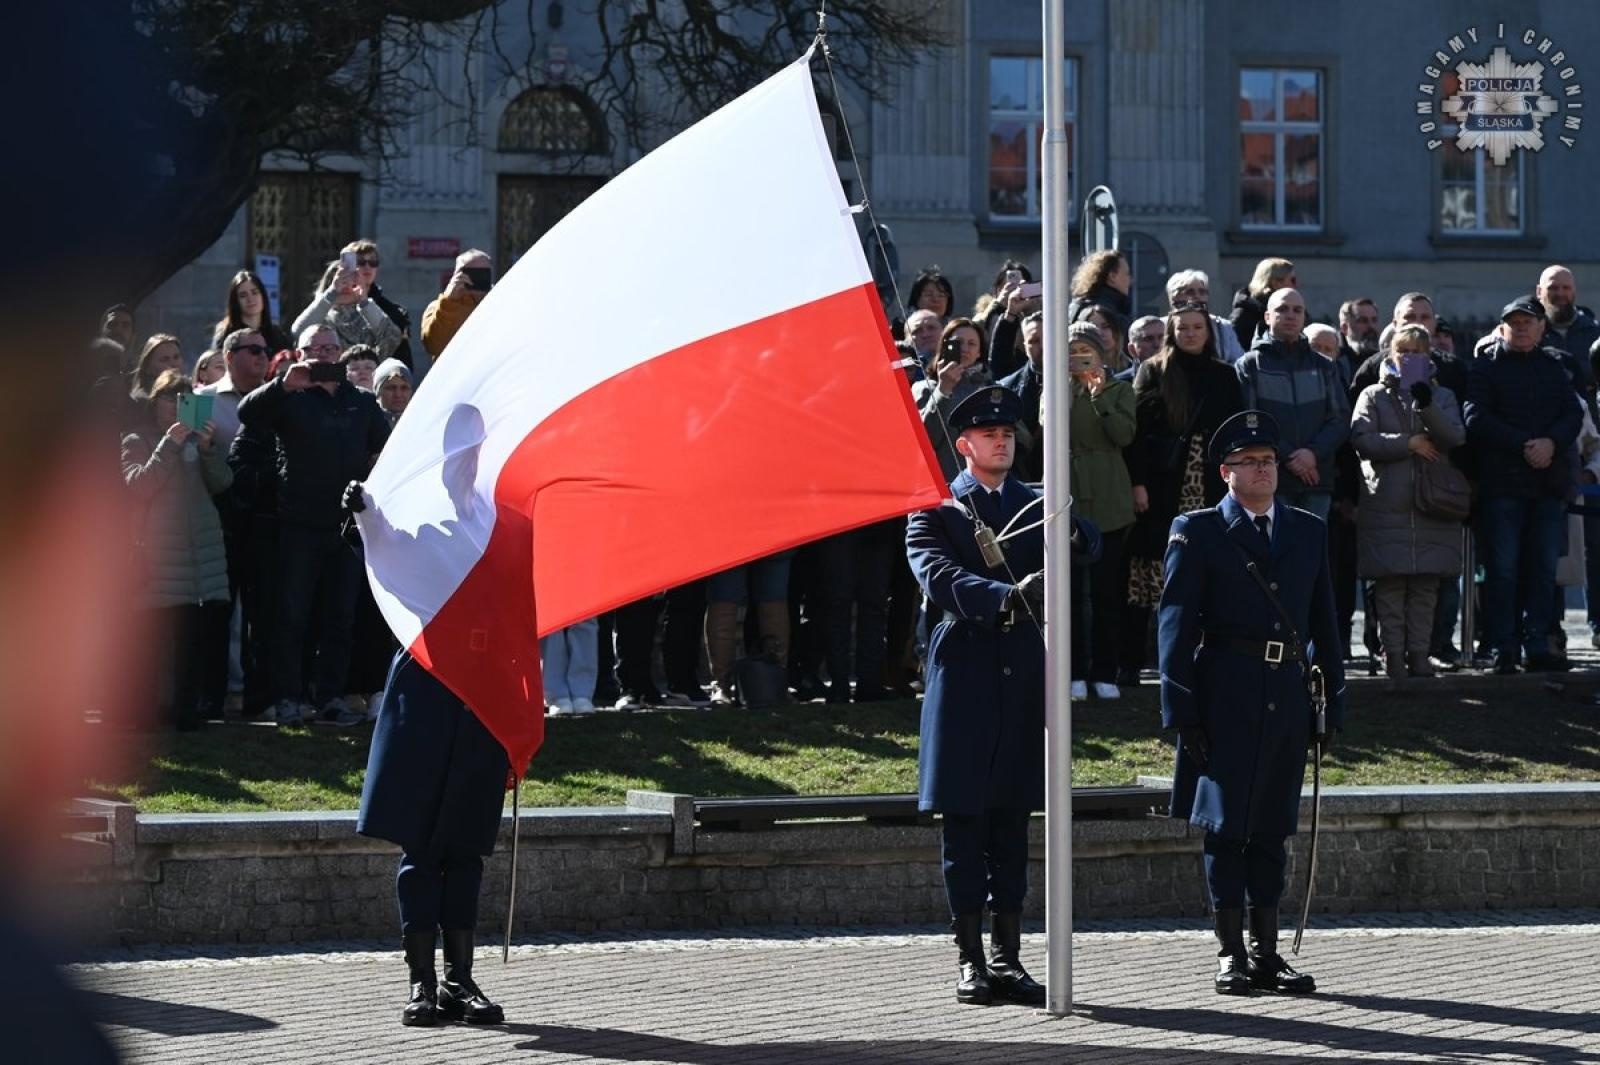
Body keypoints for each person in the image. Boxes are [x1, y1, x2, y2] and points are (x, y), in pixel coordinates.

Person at [1158, 408, 1344, 996]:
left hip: (1285, 690)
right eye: (1249, 463)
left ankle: (1268, 952)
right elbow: (1175, 624)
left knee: (1271, 826)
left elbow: (1326, 624)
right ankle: (1231, 953)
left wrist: (1331, 703)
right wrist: (1181, 709)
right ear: (1225, 472)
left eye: (1268, 461)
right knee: (1226, 827)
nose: (1263, 470)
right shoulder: (1198, 530)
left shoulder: (1308, 529)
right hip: (1225, 688)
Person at [906, 386, 1051, 1007]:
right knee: (965, 820)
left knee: (1012, 819)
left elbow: (1092, 537)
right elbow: (933, 572)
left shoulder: (1037, 501)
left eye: (1009, 433)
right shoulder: (935, 508)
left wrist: (1074, 539)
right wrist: (1005, 595)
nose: (1003, 440)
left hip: (1020, 666)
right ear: (963, 445)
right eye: (990, 435)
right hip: (965, 666)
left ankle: (1008, 956)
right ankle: (970, 958)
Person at [350, 473, 509, 1028]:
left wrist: (517, 724)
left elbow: (517, 623)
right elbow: (388, 552)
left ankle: (458, 980)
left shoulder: (499, 527)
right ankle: (421, 980)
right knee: (421, 845)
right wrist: (366, 513)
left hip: (482, 695)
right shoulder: (420, 521)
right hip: (425, 689)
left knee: (465, 847)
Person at [237, 324, 390, 725]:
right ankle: (289, 698)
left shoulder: (361, 401)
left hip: (347, 528)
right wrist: (283, 386)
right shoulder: (291, 397)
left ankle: (331, 698)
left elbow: (385, 449)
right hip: (299, 525)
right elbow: (246, 414)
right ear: (300, 353)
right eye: (314, 348)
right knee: (292, 617)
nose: (323, 354)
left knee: (340, 618)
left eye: (330, 347)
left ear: (340, 353)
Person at [1123, 302, 1243, 685]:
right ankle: (1140, 662)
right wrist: (1137, 482)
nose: (1190, 333)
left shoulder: (1224, 376)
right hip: (1162, 486)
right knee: (1156, 573)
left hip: (1210, 483)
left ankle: (1203, 657)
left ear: (1208, 333)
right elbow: (1136, 434)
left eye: (1197, 327)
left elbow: (1236, 431)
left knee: (1207, 571)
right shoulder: (1154, 370)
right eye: (1183, 328)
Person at [1464, 297, 1583, 674]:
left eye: (1528, 322)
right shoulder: (1485, 368)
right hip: (1503, 487)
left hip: (1545, 487)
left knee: (1542, 570)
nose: (1521, 327)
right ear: (1502, 328)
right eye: (1514, 322)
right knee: (1503, 570)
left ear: (1542, 328)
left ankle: (1537, 643)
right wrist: (1524, 445)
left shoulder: (1553, 367)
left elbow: (1573, 413)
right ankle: (1504, 646)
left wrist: (1550, 444)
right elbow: (1475, 416)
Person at [1350, 325, 1468, 679]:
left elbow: (1454, 436)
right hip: (1387, 503)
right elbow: (1362, 439)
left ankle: (1420, 655)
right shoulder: (1373, 395)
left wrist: (1427, 405)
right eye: (1405, 351)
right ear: (1391, 355)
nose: (1412, 358)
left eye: (1419, 352)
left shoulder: (1441, 395)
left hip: (1431, 505)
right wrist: (1409, 443)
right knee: (1389, 587)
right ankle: (1394, 657)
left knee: (1424, 588)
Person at [122, 370, 233, 730]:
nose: (178, 406)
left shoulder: (197, 440)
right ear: (156, 401)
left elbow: (222, 483)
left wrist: (207, 450)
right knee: (154, 644)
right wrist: (168, 444)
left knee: (191, 641)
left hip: (199, 556)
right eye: (171, 398)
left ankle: (186, 712)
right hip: (157, 557)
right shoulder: (136, 439)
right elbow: (139, 485)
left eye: (186, 399)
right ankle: (146, 713)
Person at [1063, 322, 1136, 700]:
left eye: (1086, 351)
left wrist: (1099, 395)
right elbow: (1046, 424)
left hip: (1109, 495)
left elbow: (1124, 435)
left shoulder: (1121, 389)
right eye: (1072, 351)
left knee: (1108, 592)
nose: (1079, 358)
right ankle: (1073, 671)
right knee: (1071, 593)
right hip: (1069, 494)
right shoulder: (1056, 391)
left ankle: (1105, 670)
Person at [1234, 288, 1348, 519]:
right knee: (1272, 551)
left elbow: (1340, 419)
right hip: (1269, 480)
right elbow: (1250, 419)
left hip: (1316, 481)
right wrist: (1290, 457)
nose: (1290, 315)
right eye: (1282, 309)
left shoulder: (1324, 366)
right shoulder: (1250, 365)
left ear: (1304, 317)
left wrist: (1312, 454)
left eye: (1297, 310)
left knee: (1310, 553)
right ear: (1267, 317)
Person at [913, 317, 992, 480]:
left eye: (972, 344)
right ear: (945, 346)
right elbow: (924, 439)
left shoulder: (991, 389)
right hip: (947, 484)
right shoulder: (925, 388)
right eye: (958, 342)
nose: (964, 349)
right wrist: (943, 390)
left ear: (979, 353)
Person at [290, 253, 403, 361]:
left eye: (352, 281)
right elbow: (298, 332)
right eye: (341, 281)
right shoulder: (320, 317)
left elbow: (393, 338)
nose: (345, 287)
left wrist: (364, 302)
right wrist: (331, 294)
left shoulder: (370, 317)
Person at [422, 249, 493, 361]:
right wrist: (449, 302)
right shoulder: (438, 308)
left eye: (483, 273)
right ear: (456, 275)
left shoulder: (499, 303)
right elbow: (433, 346)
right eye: (471, 273)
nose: (478, 278)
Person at [1166, 269, 1244, 362]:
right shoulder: (1161, 326)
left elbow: (1239, 362)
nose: (1198, 296)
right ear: (1174, 297)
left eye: (1202, 292)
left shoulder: (1222, 327)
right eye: (1190, 292)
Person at [210, 269, 292, 354]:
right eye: (243, 295)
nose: (250, 299)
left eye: (255, 292)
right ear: (235, 301)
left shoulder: (277, 336)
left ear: (263, 296)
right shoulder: (225, 336)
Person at [1228, 257, 1295, 346]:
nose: (1296, 285)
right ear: (1276, 282)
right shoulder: (1244, 315)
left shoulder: (1295, 309)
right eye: (1292, 280)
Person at [129, 333, 183, 398]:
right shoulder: (142, 400)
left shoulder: (188, 393)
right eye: (164, 359)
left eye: (176, 357)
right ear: (147, 367)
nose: (173, 364)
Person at [374, 357, 413, 426]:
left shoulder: (423, 422)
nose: (398, 394)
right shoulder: (367, 423)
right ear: (378, 392)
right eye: (391, 388)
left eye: (404, 388)